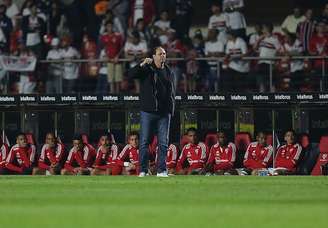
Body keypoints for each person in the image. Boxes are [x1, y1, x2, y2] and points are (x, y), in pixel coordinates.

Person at [128, 46, 176, 177]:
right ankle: (143, 170)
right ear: (154, 56)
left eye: (164, 54)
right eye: (160, 54)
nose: (163, 56)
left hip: (163, 113)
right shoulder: (146, 69)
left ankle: (162, 170)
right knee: (144, 142)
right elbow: (130, 75)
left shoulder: (169, 71)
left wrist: (171, 110)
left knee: (163, 143)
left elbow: (171, 92)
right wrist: (142, 64)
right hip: (148, 111)